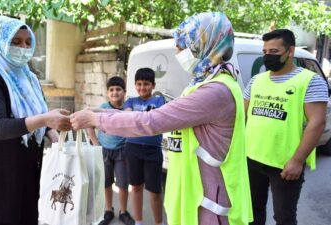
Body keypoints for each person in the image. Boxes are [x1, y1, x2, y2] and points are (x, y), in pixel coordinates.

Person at [71, 12, 252, 225]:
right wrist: (99, 112)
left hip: (212, 209)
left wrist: (95, 119)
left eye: (183, 46)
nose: (178, 52)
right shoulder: (204, 84)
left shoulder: (215, 92)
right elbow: (146, 115)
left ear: (204, 45)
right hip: (198, 201)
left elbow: (151, 121)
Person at [0, 16, 71, 225]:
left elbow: (36, 119)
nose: (23, 47)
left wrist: (53, 133)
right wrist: (45, 119)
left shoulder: (30, 78)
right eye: (15, 42)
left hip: (27, 171)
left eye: (28, 42)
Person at [244, 29, 328, 225]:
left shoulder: (310, 81)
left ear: (290, 51)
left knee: (284, 217)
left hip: (285, 164)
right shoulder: (257, 80)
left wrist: (298, 161)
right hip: (252, 158)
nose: (267, 56)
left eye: (273, 51)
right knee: (252, 213)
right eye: (265, 52)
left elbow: (317, 122)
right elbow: (242, 114)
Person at [87, 76, 135, 225]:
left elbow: (132, 122)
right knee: (106, 182)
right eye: (111, 90)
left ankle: (123, 211)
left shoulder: (128, 108)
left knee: (122, 183)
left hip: (122, 151)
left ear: (124, 92)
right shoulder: (103, 107)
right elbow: (89, 123)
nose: (115, 92)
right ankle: (108, 210)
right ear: (107, 93)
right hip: (105, 151)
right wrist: (95, 142)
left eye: (118, 89)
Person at [123, 68, 165, 225]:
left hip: (153, 151)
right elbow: (128, 117)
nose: (142, 87)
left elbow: (157, 119)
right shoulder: (130, 101)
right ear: (135, 85)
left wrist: (137, 119)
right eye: (139, 84)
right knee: (135, 187)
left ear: (153, 85)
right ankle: (138, 222)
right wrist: (145, 119)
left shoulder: (159, 101)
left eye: (146, 84)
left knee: (155, 191)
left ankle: (159, 222)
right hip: (132, 148)